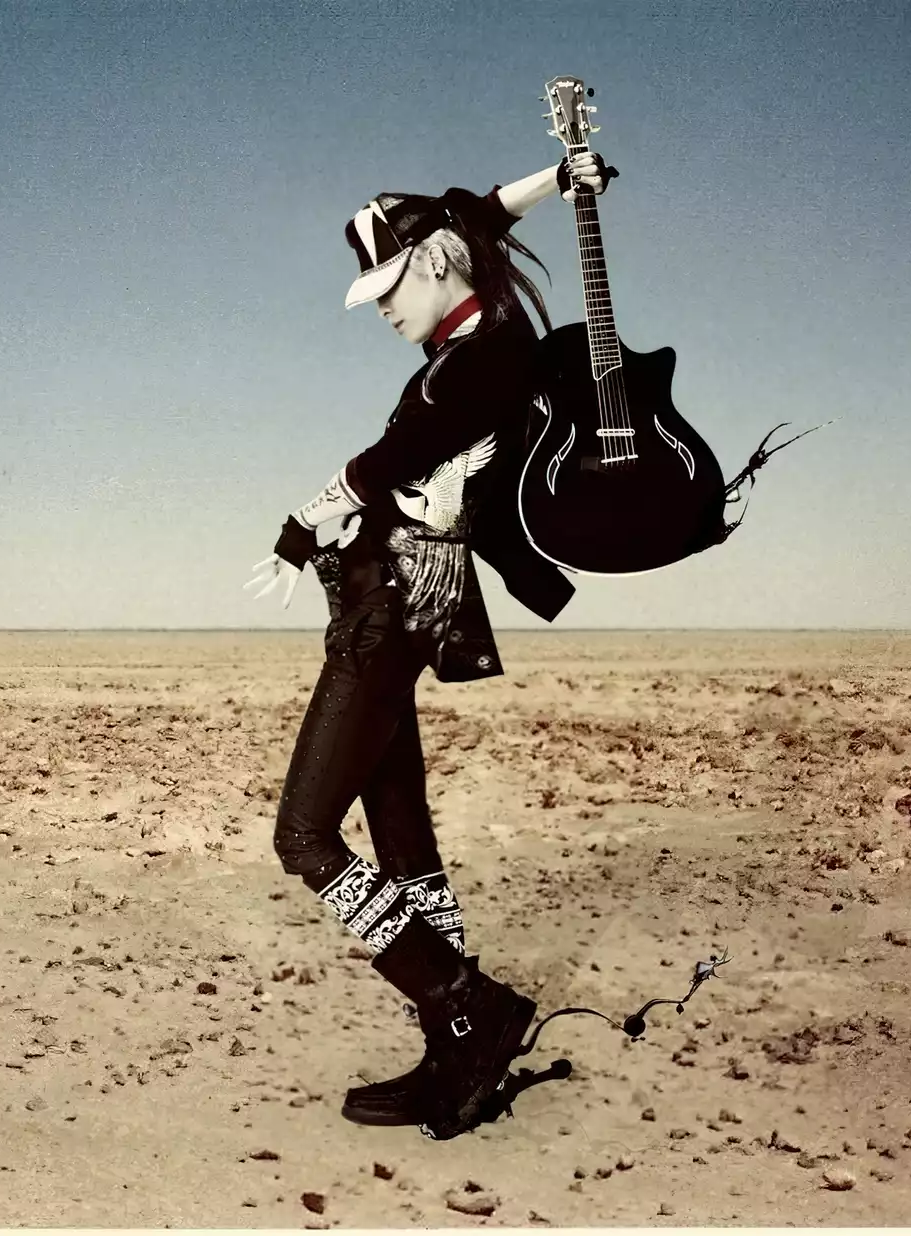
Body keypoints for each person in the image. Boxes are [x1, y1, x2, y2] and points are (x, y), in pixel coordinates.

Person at [243, 149, 614, 1140]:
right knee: (399, 830)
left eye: (387, 287)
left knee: (304, 837)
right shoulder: (479, 342)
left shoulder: (481, 363)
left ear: (436, 261)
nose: (380, 309)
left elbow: (383, 465)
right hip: (396, 599)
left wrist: (297, 526)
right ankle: (455, 1044)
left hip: (391, 606)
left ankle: (468, 1007)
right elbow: (477, 211)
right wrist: (558, 177)